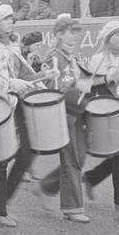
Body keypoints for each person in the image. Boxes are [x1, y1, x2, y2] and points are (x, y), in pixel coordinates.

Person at [0, 4, 49, 227]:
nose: (11, 22)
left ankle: (2, 201)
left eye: (12, 19)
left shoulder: (11, 47)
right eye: (7, 19)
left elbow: (25, 74)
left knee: (26, 153)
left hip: (14, 102)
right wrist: (9, 84)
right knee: (0, 159)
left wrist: (45, 74)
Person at [81, 21, 119, 213]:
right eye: (117, 35)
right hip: (112, 111)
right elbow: (92, 86)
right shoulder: (99, 58)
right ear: (107, 38)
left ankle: (92, 177)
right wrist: (116, 94)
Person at [35, 15, 91, 223]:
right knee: (72, 160)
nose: (74, 37)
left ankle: (46, 187)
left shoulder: (71, 57)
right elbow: (52, 87)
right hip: (63, 114)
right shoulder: (54, 58)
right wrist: (77, 84)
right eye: (70, 32)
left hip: (77, 112)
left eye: (77, 33)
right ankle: (72, 207)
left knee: (80, 157)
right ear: (58, 34)